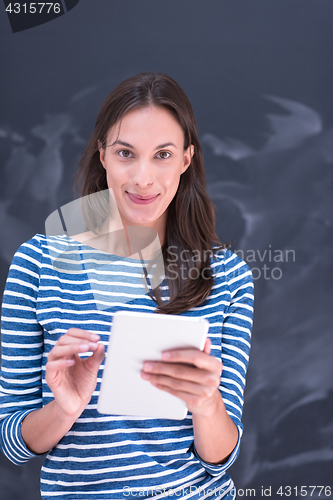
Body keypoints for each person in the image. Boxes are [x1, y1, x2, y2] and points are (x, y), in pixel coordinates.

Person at [0, 72, 254, 499]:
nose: (142, 178)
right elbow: (13, 443)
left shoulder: (227, 274)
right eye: (125, 153)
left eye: (162, 155)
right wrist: (64, 409)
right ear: (102, 154)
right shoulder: (39, 262)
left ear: (186, 159)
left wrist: (207, 402)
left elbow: (221, 456)